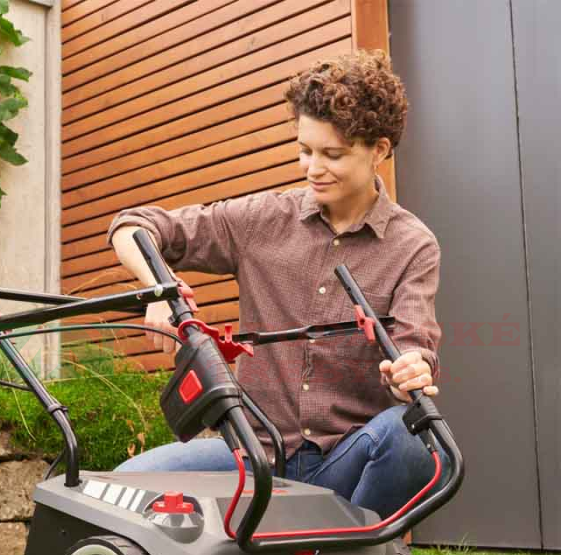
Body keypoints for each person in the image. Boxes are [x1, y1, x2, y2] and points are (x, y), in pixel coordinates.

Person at [107, 50, 450, 519]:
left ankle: (353, 549)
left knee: (412, 438)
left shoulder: (413, 245)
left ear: (379, 150)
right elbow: (133, 225)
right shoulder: (262, 220)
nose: (313, 168)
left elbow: (415, 348)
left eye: (332, 155)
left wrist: (409, 371)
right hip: (254, 456)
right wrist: (160, 289)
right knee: (124, 484)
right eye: (305, 150)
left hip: (347, 462)